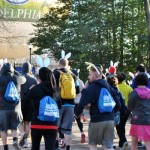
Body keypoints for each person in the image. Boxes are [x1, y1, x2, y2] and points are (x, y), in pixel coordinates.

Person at [75, 64, 121, 150]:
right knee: (107, 146)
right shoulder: (109, 87)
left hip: (97, 120)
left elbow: (81, 104)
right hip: (110, 120)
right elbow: (118, 104)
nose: (88, 77)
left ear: (95, 75)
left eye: (90, 74)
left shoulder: (91, 88)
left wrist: (77, 114)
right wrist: (110, 113)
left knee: (93, 145)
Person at [22, 67, 61, 150]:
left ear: (39, 77)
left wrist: (30, 90)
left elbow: (24, 100)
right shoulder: (55, 90)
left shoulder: (35, 88)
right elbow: (60, 105)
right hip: (51, 124)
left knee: (35, 147)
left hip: (37, 123)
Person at [53, 58, 79, 150]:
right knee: (68, 130)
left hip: (58, 104)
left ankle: (56, 146)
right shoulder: (73, 75)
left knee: (55, 127)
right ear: (67, 65)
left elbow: (52, 87)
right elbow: (78, 90)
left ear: (59, 64)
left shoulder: (55, 73)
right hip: (71, 105)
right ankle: (68, 148)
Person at [0, 63, 26, 150]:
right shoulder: (18, 78)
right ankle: (15, 140)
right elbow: (24, 79)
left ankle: (6, 147)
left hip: (3, 108)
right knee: (14, 127)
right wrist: (15, 71)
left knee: (3, 129)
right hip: (16, 108)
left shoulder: (0, 78)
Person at [128, 73, 150, 150]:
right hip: (148, 120)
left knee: (134, 142)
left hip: (136, 119)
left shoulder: (133, 93)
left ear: (136, 81)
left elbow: (130, 106)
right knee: (148, 143)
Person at [107, 73, 129, 150]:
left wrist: (115, 111)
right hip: (126, 110)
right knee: (121, 127)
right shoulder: (117, 89)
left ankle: (124, 141)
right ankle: (121, 145)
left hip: (119, 111)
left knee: (118, 128)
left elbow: (117, 104)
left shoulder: (111, 90)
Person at [19, 62, 38, 148]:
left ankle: (23, 136)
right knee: (27, 122)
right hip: (30, 103)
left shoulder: (19, 78)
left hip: (20, 103)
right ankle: (26, 141)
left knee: (19, 122)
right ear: (30, 69)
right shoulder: (33, 79)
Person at [72, 69, 86, 144]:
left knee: (70, 119)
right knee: (78, 120)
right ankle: (82, 132)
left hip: (73, 102)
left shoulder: (71, 81)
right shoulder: (81, 81)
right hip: (80, 102)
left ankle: (65, 137)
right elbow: (84, 91)